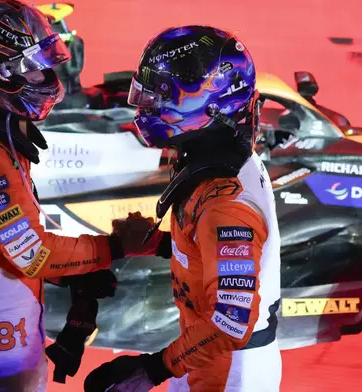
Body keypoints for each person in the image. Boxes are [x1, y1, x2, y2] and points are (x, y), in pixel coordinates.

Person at [0, 1, 157, 391]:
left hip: (6, 318)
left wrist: (81, 276)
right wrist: (116, 247)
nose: (46, 75)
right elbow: (34, 254)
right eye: (32, 65)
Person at [84, 26, 282, 392]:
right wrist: (158, 244)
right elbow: (211, 257)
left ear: (206, 102)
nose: (145, 107)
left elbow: (231, 321)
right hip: (202, 357)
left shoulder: (227, 202)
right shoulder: (218, 160)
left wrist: (151, 370)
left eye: (160, 94)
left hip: (228, 371)